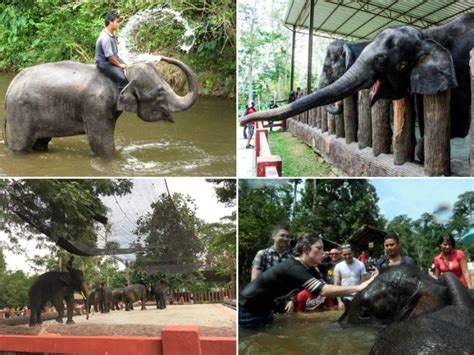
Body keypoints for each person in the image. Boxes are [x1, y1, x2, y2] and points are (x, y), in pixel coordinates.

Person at [239, 234, 378, 329]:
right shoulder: (293, 267)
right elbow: (322, 290)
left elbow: (326, 286)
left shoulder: (309, 269)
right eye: (319, 248)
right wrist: (358, 288)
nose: (323, 252)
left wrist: (372, 279)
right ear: (306, 249)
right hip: (249, 309)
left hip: (266, 308)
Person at [95, 12, 129, 95]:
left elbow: (114, 55)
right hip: (104, 63)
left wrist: (124, 64)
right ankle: (121, 103)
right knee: (123, 79)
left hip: (111, 60)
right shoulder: (105, 38)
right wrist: (120, 65)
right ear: (110, 22)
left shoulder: (110, 35)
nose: (118, 24)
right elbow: (110, 56)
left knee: (128, 68)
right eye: (117, 22)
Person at [334, 245, 367, 310]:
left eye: (349, 254)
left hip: (358, 297)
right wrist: (339, 301)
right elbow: (336, 285)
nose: (347, 256)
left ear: (353, 253)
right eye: (345, 254)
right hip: (345, 298)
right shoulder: (338, 266)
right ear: (341, 255)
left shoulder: (360, 265)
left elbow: (364, 283)